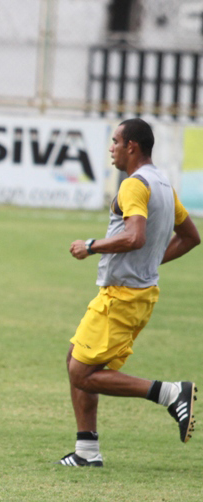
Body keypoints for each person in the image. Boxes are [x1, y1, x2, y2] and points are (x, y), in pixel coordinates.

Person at [58, 118, 200, 467]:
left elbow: (135, 236)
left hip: (123, 296)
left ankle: (168, 393)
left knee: (81, 373)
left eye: (116, 141)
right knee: (76, 357)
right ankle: (86, 451)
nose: (112, 147)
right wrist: (150, 262)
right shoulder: (163, 183)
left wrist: (91, 246)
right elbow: (191, 236)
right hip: (134, 293)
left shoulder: (134, 186)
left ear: (131, 146)